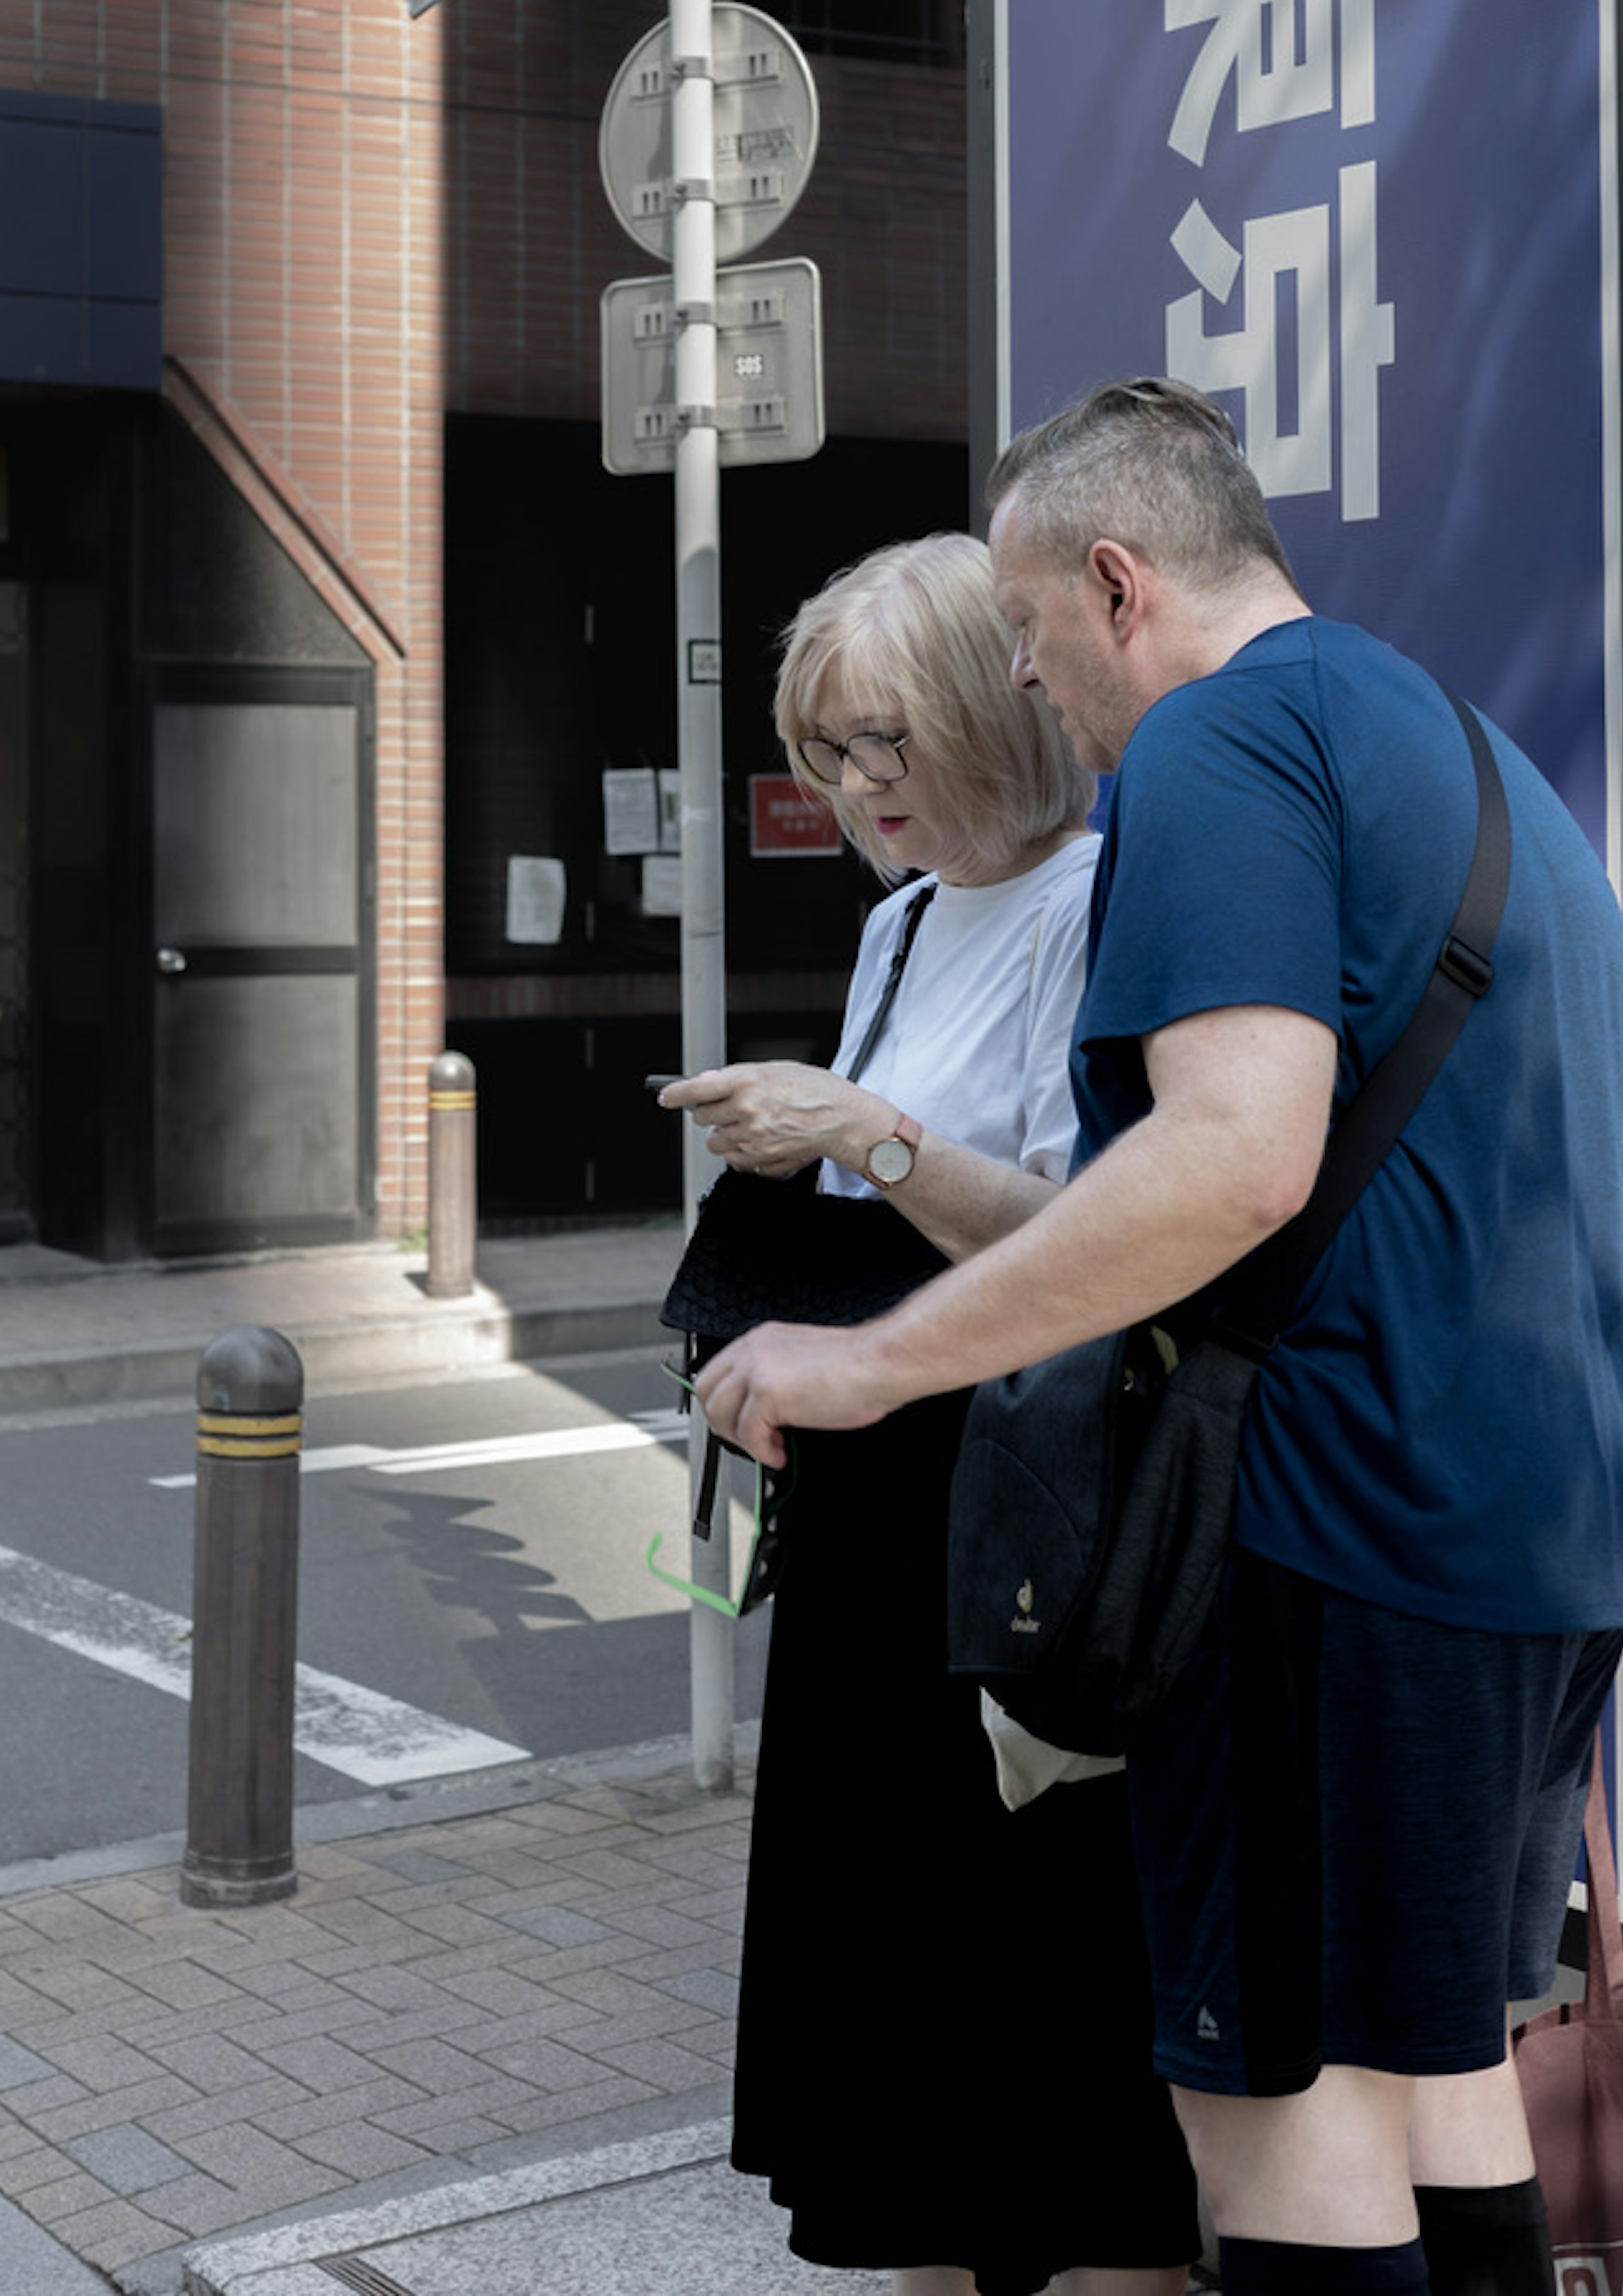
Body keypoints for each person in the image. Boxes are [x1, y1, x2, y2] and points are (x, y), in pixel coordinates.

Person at [691, 380, 1623, 2296]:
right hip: (1534, 1533)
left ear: (1117, 588)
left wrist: (864, 1361)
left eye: (1028, 641)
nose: (1037, 695)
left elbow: (1230, 1159)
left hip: (1324, 1539)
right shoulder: (1469, 756)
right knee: (1438, 2076)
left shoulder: (1217, 749)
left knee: (1279, 2127)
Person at [661, 532, 1199, 2296]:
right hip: (876, 1521)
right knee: (894, 2026)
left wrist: (862, 1135)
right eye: (826, 750)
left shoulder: (1103, 900)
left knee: (1049, 2021)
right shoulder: (899, 926)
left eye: (885, 740)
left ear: (994, 700)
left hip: (1022, 1532)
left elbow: (1100, 1248)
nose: (854, 788)